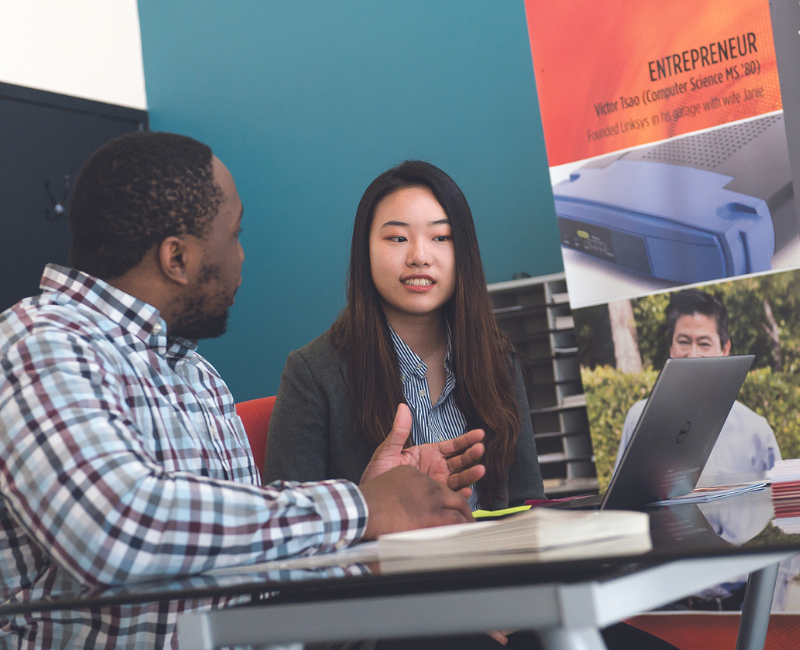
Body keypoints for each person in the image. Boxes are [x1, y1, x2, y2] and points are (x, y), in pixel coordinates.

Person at [0, 133, 487, 649]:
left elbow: (255, 576)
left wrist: (373, 542)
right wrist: (361, 507)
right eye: (233, 235)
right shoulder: (37, 343)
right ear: (177, 258)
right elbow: (115, 531)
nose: (242, 257)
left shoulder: (197, 376)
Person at [264, 160, 545, 511]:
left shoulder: (498, 362)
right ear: (364, 251)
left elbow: (528, 504)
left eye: (441, 237)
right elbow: (287, 526)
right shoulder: (312, 374)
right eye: (397, 238)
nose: (419, 257)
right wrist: (368, 503)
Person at [614, 289, 781, 484]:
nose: (693, 355)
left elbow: (782, 506)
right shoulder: (639, 419)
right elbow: (620, 506)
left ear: (725, 349)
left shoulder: (756, 431)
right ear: (671, 349)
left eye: (704, 343)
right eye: (684, 342)